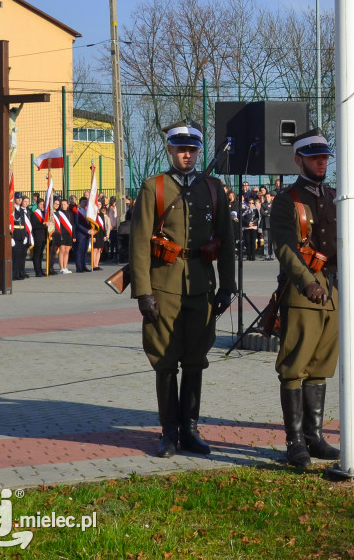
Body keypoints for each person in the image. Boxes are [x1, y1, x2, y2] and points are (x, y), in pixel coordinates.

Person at [130, 120, 235, 458]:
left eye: (192, 149)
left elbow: (227, 241)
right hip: (164, 287)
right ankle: (169, 433)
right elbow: (140, 244)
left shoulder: (214, 188)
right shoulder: (154, 188)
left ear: (198, 151)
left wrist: (227, 285)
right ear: (169, 150)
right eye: (180, 149)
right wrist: (143, 292)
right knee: (165, 360)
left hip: (202, 285)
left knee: (195, 360)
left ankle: (190, 429)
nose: (186, 155)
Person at [270, 129, 341, 467]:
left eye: (324, 155)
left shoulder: (333, 195)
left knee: (320, 366)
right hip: (303, 294)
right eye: (314, 156)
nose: (321, 161)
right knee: (295, 366)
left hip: (333, 291)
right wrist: (307, 281)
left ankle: (314, 436)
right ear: (299, 159)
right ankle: (295, 440)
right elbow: (284, 247)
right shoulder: (287, 199)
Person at [30, 198, 49, 277]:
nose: (42, 206)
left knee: (41, 254)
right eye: (40, 204)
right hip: (37, 236)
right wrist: (44, 225)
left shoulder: (43, 213)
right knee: (37, 254)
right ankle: (37, 271)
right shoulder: (34, 214)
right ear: (37, 205)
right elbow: (35, 226)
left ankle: (41, 270)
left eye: (43, 204)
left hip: (43, 236)